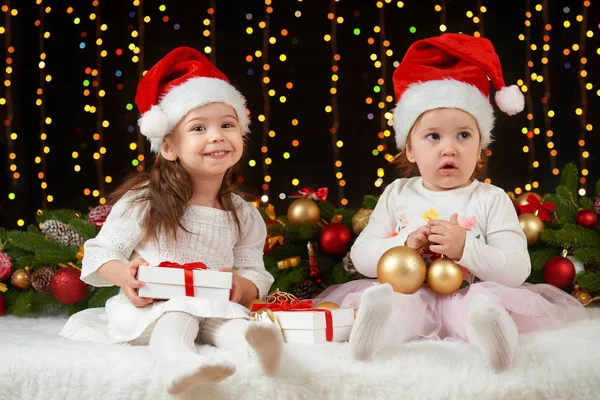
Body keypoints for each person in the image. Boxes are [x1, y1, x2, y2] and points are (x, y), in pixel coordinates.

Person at [313, 33, 589, 371]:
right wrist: (405, 245)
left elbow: (517, 269)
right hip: (409, 292)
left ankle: (493, 335)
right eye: (433, 136)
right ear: (410, 148)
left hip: (467, 293)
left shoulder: (490, 199)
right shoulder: (397, 193)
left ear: (481, 147)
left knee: (479, 305)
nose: (449, 148)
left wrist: (466, 249)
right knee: (400, 307)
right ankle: (374, 329)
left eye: (463, 135)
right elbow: (361, 256)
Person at [60, 47, 282, 395]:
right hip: (158, 306)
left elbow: (255, 270)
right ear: (168, 147)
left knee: (232, 320)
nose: (217, 136)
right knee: (178, 315)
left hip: (214, 302)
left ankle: (259, 351)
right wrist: (126, 276)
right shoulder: (146, 201)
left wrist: (243, 286)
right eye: (198, 128)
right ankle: (181, 364)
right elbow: (100, 252)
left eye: (228, 125)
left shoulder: (243, 213)